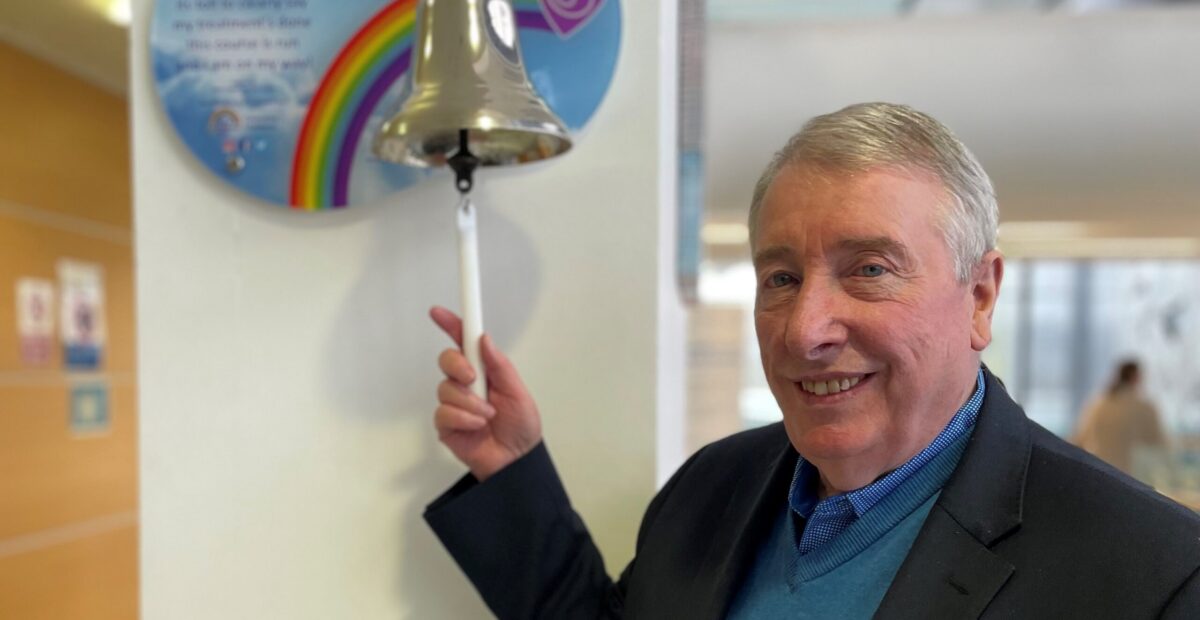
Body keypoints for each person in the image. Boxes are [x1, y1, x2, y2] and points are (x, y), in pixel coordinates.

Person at [423, 103, 1200, 618]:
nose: (805, 331)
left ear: (981, 297)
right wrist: (513, 471)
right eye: (781, 278)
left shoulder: (1150, 573)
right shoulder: (711, 489)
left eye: (869, 269)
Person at [1074, 360, 1168, 479]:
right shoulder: (1142, 406)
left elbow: (1080, 439)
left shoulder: (1098, 404)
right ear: (1136, 377)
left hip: (1098, 471)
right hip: (1129, 474)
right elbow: (1158, 441)